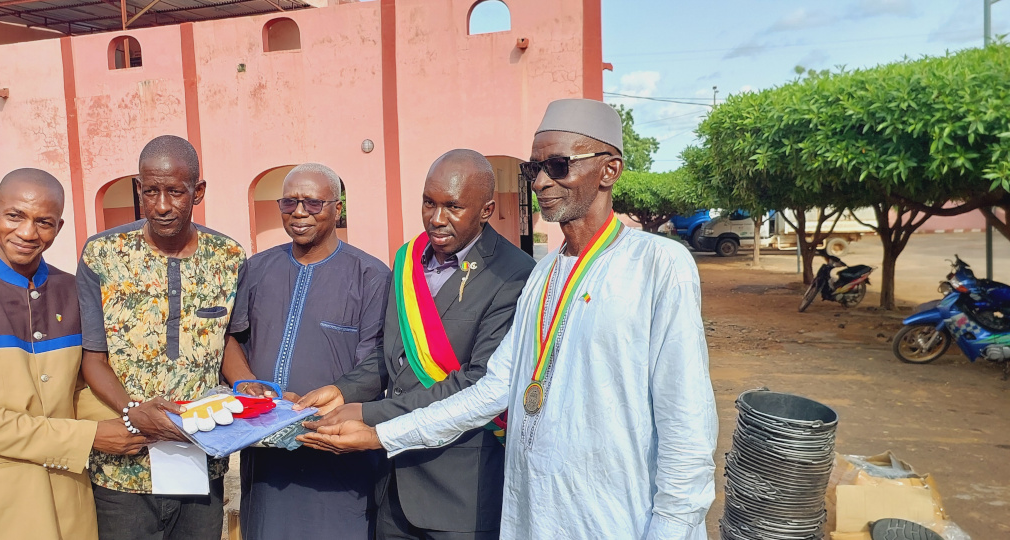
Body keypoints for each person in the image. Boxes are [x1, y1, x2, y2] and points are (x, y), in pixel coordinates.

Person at [300, 99, 719, 540]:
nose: (540, 182)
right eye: (532, 169)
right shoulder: (543, 273)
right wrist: (384, 434)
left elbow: (686, 424)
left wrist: (672, 527)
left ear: (609, 170)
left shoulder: (657, 263)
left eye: (558, 165)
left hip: (618, 514)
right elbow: (492, 390)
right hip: (534, 512)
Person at [296, 149, 537, 540]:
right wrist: (343, 391)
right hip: (393, 487)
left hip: (460, 495)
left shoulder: (513, 274)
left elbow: (478, 383)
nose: (436, 219)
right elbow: (390, 353)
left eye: (453, 207)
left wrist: (371, 414)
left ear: (487, 210)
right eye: (429, 202)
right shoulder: (408, 259)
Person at [0, 168, 148, 540]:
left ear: (60, 227)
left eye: (44, 222)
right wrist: (87, 438)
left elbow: (76, 393)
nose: (27, 232)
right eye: (14, 216)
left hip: (66, 504)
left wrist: (140, 417)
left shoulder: (71, 289)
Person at [77, 136, 246, 540]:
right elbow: (92, 357)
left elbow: (226, 339)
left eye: (176, 191)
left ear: (198, 192)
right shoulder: (102, 254)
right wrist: (131, 408)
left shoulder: (229, 257)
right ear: (139, 190)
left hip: (200, 459)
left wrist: (244, 383)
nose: (163, 205)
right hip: (123, 467)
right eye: (151, 191)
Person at [221, 163, 390, 540]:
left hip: (333, 454)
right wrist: (246, 382)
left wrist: (331, 400)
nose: (299, 212)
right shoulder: (257, 268)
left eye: (313, 203)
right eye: (289, 202)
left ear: (337, 208)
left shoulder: (371, 275)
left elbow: (378, 361)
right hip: (265, 457)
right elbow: (232, 339)